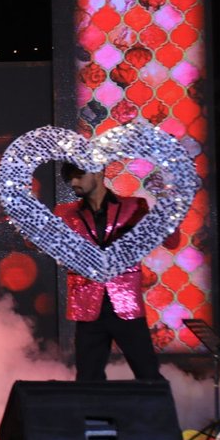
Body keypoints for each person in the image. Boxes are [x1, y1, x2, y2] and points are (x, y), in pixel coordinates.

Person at [57, 162, 173, 381]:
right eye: (70, 178)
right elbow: (40, 241)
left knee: (148, 374)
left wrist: (168, 208)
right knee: (88, 379)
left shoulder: (134, 206)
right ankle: (93, 415)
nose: (73, 183)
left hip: (126, 305)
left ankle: (157, 415)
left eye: (79, 176)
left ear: (99, 172)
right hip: (88, 308)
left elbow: (171, 240)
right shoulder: (65, 213)